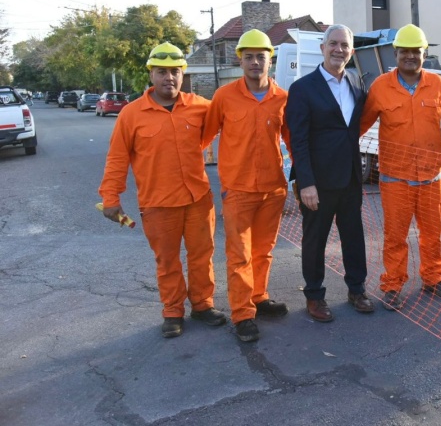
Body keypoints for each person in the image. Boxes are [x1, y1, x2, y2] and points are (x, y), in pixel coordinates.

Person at [98, 42, 225, 338]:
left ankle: (203, 305)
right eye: (161, 72)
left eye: (175, 72)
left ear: (183, 74)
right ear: (151, 75)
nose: (169, 77)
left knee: (201, 255)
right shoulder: (131, 114)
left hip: (197, 199)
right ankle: (172, 312)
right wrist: (110, 198)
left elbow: (230, 126)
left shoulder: (200, 107)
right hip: (157, 203)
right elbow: (117, 158)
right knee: (167, 261)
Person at [360, 24, 441, 311]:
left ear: (424, 53)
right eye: (404, 51)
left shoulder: (437, 84)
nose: (410, 56)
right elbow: (360, 125)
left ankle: (433, 278)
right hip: (395, 179)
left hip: (431, 177)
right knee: (395, 236)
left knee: (432, 234)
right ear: (395, 53)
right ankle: (392, 284)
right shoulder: (380, 86)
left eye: (415, 51)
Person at [202, 29, 291, 343]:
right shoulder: (225, 97)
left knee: (264, 252)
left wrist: (303, 178)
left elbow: (293, 142)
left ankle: (258, 297)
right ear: (240, 59)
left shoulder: (282, 98)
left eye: (261, 57)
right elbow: (205, 136)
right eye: (249, 56)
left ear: (270, 60)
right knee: (239, 255)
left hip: (273, 189)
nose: (255, 62)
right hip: (238, 190)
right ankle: (242, 315)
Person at [285, 24, 374, 322]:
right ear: (322, 48)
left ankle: (357, 289)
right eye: (333, 44)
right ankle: (314, 295)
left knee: (353, 237)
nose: (339, 50)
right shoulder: (302, 88)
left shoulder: (355, 83)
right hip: (318, 183)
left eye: (345, 45)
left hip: (350, 178)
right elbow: (298, 138)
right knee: (315, 241)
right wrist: (305, 182)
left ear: (351, 51)